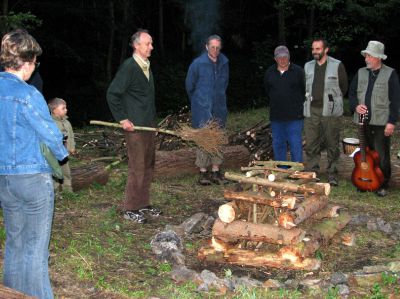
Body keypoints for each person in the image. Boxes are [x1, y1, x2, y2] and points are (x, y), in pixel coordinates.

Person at [0, 29, 68, 298]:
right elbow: (50, 134)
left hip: (4, 179)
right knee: (36, 248)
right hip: (31, 179)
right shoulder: (28, 95)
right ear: (27, 62)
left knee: (15, 243)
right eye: (35, 63)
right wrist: (61, 149)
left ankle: (12, 293)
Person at [107, 29, 161, 223]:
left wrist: (153, 122)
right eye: (148, 44)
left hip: (148, 126)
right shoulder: (130, 67)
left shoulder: (146, 66)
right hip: (135, 128)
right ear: (137, 45)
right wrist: (122, 119)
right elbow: (112, 94)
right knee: (137, 166)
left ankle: (143, 203)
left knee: (148, 165)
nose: (151, 47)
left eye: (151, 43)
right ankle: (130, 208)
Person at [349, 41, 400, 197]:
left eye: (369, 56)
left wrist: (391, 121)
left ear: (378, 57)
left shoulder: (390, 74)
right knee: (365, 152)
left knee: (381, 154)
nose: (366, 58)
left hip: (381, 122)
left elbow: (395, 100)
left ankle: (383, 183)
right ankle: (366, 180)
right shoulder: (361, 72)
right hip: (362, 120)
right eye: (366, 55)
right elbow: (351, 94)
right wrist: (356, 106)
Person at [185, 34, 229, 185]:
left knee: (218, 137)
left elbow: (225, 84)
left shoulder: (224, 63)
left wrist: (219, 98)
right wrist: (198, 101)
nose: (215, 50)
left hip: (219, 108)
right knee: (203, 139)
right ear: (206, 47)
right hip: (202, 109)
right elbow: (189, 86)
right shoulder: (197, 64)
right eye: (212, 47)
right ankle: (203, 173)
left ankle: (216, 171)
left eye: (217, 47)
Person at [303, 38, 348, 186]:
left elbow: (343, 87)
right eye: (313, 49)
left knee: (332, 142)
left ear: (326, 49)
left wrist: (333, 101)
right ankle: (312, 172)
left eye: (318, 49)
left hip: (330, 111)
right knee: (311, 143)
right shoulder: (308, 66)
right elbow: (304, 87)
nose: (315, 52)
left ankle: (332, 173)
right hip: (311, 110)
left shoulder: (337, 65)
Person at [264, 45, 305, 162]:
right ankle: (282, 171)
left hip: (295, 117)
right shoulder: (269, 72)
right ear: (275, 58)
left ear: (289, 57)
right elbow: (267, 91)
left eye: (285, 56)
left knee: (295, 145)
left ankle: (297, 172)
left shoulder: (298, 71)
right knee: (278, 145)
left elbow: (304, 90)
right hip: (276, 117)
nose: (282, 59)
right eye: (279, 57)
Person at [48, 97, 76, 193]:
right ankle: (54, 192)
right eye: (63, 108)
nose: (66, 110)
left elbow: (71, 136)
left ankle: (67, 191)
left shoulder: (67, 123)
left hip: (65, 154)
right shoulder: (50, 123)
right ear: (54, 110)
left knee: (66, 172)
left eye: (66, 108)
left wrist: (71, 147)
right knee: (55, 172)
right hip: (54, 154)